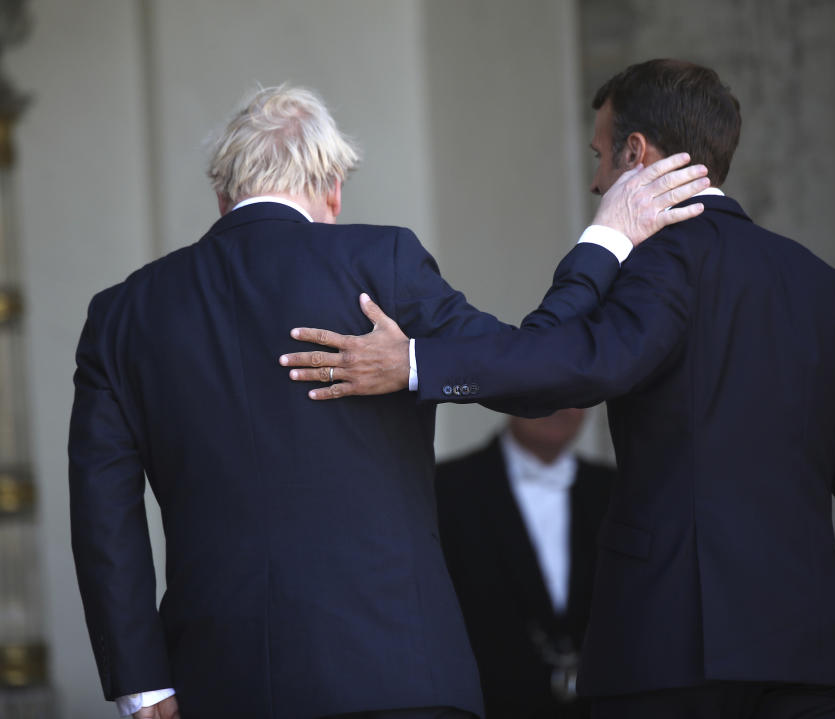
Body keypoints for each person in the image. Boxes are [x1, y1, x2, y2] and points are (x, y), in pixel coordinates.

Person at [281, 60, 835, 719]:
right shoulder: (823, 287)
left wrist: (417, 360)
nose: (596, 179)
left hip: (672, 652)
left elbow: (564, 366)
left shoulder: (656, 261)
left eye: (599, 155)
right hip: (811, 657)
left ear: (636, 152)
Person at [68, 84, 709, 718]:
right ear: (332, 188)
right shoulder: (381, 262)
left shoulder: (123, 314)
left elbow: (104, 516)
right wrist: (608, 240)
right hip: (397, 676)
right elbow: (536, 376)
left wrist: (143, 686)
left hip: (216, 682)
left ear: (223, 193)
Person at [435, 409, 615, 719]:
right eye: (545, 391)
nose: (558, 406)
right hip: (489, 704)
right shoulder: (446, 487)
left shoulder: (615, 489)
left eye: (573, 394)